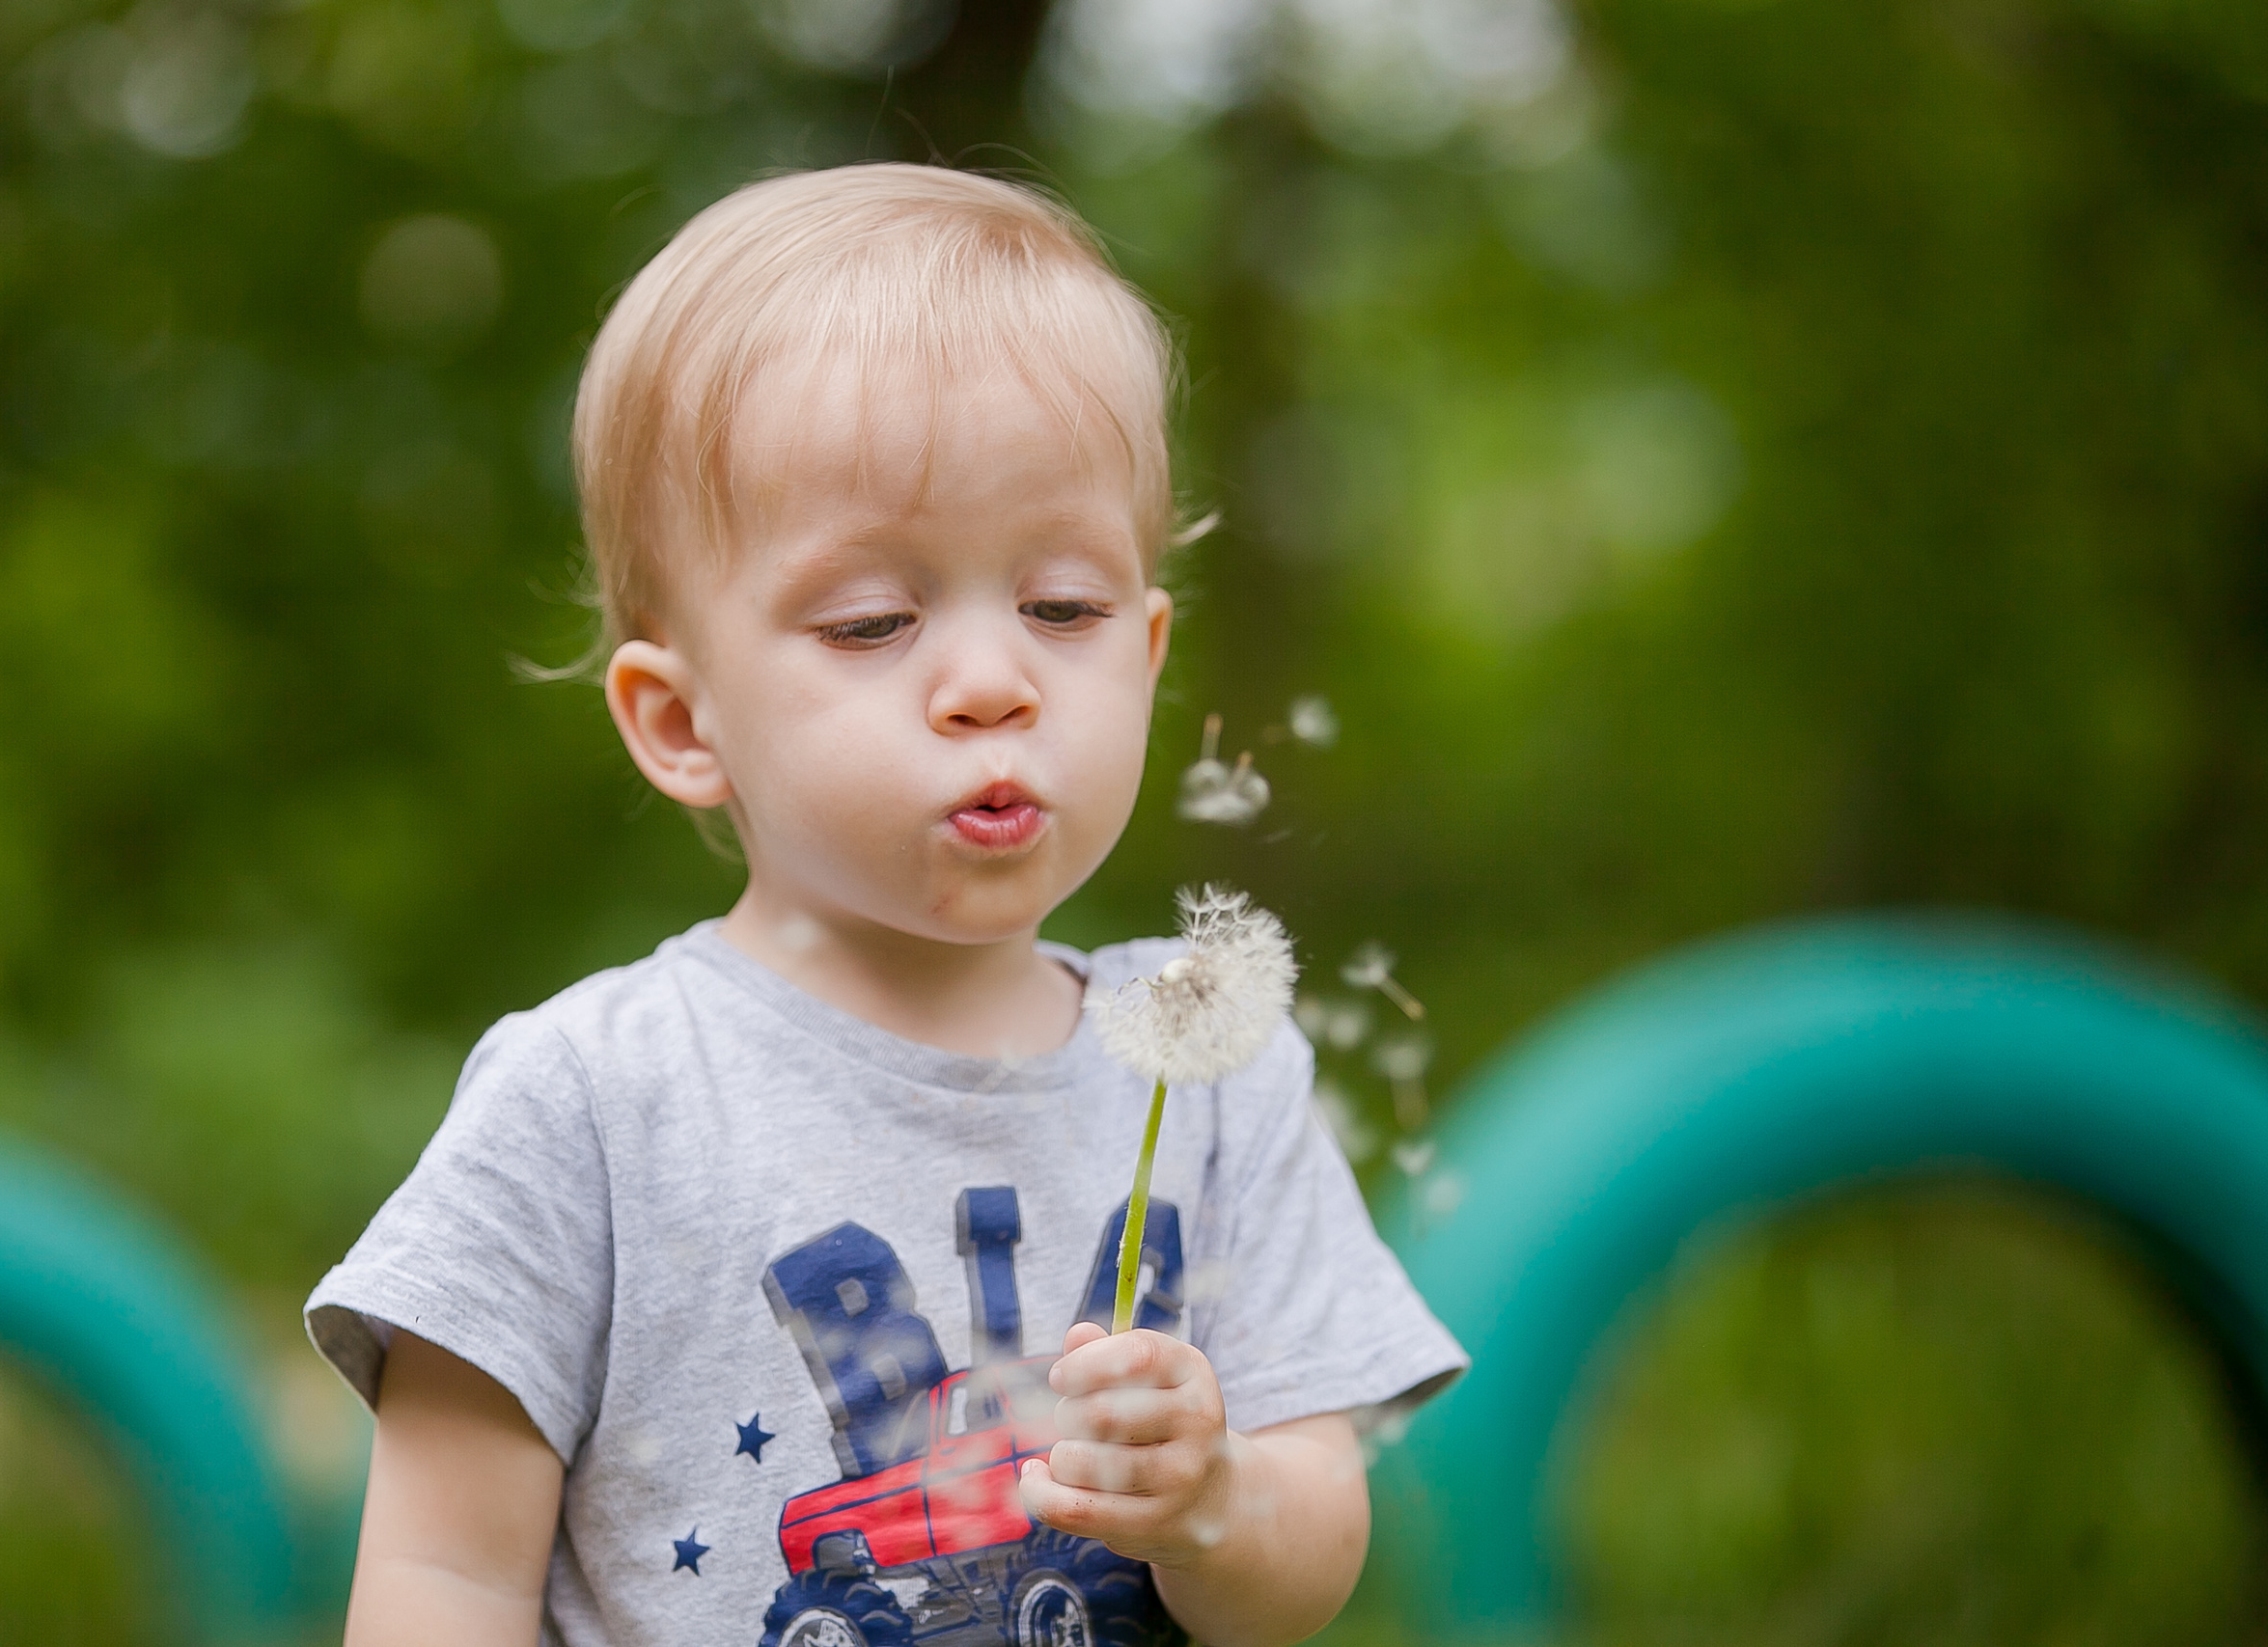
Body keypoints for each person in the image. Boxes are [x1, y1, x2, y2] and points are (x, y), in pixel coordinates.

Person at [305, 163, 1465, 1647]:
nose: (994, 682)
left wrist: (1217, 1500)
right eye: (872, 621)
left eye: (1064, 608)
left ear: (1153, 650)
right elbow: (442, 1580)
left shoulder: (1210, 1063)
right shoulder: (591, 1102)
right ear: (680, 722)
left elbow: (1304, 1557)